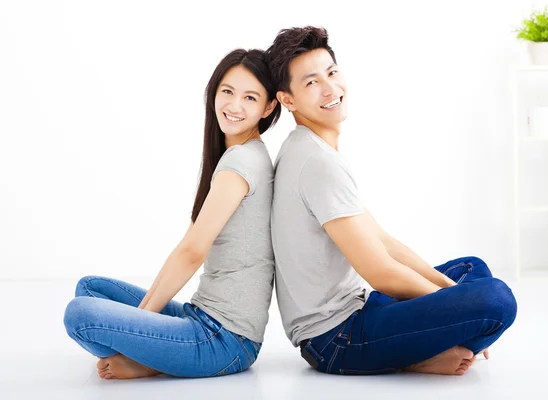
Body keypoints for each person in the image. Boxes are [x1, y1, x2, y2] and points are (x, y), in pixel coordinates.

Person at [266, 26, 517, 376]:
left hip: (359, 308)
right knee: (496, 301)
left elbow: (381, 241)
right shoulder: (315, 162)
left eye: (332, 73)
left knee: (471, 270)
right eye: (312, 83)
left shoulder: (312, 148)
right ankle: (420, 358)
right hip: (336, 340)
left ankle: (437, 343)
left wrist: (449, 294)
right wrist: (454, 305)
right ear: (288, 99)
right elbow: (379, 271)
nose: (330, 88)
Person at [63, 48, 280, 379]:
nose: (234, 105)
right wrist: (143, 322)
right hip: (202, 318)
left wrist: (141, 324)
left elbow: (192, 253)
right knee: (91, 288)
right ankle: (154, 352)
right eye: (227, 91)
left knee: (80, 315)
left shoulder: (241, 163)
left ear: (268, 107)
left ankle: (149, 360)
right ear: (214, 92)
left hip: (224, 341)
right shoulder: (237, 155)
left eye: (250, 98)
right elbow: (187, 245)